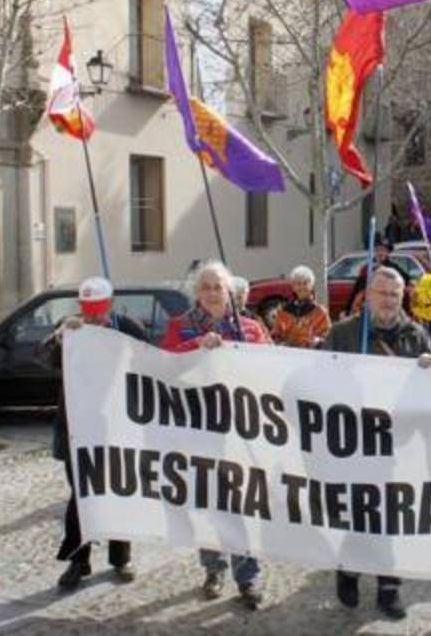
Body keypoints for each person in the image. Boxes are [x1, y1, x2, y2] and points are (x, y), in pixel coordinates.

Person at [325, 267, 431, 620]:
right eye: (382, 292)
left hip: (396, 444)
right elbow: (317, 379)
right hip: (354, 442)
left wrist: (430, 367)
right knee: (357, 513)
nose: (389, 300)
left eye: (395, 293)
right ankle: (348, 568)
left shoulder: (415, 335)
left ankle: (389, 588)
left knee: (391, 515)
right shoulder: (343, 333)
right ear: (368, 295)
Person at [159, 261, 268, 610]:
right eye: (204, 286)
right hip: (199, 432)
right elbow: (162, 366)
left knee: (242, 505)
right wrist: (196, 349)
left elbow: (272, 367)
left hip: (242, 434)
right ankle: (213, 568)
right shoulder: (180, 327)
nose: (210, 292)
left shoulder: (250, 328)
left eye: (216, 286)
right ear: (196, 293)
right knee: (208, 502)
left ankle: (247, 575)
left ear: (229, 291)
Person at [52, 277, 148, 591]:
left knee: (120, 489)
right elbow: (48, 363)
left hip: (119, 426)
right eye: (87, 309)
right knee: (82, 496)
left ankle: (121, 557)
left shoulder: (130, 328)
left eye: (99, 308)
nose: (93, 315)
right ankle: (78, 561)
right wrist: (61, 339)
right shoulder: (71, 329)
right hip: (79, 428)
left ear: (111, 304)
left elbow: (150, 365)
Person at [345, 235, 410, 316]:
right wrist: (346, 310)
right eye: (378, 250)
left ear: (388, 252)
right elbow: (357, 290)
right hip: (370, 310)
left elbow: (406, 283)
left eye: (383, 250)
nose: (380, 253)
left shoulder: (395, 269)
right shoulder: (367, 269)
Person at [271, 265, 331, 348]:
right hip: (288, 355)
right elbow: (275, 335)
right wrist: (281, 343)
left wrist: (318, 341)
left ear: (311, 286)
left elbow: (328, 337)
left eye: (305, 283)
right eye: (298, 283)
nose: (302, 287)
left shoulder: (320, 312)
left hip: (311, 355)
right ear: (293, 287)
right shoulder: (283, 311)